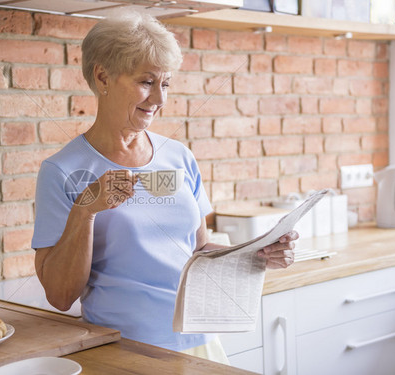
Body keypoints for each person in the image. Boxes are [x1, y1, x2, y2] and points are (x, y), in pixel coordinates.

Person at [31, 11, 297, 363]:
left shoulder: (178, 157)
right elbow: (61, 296)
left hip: (198, 343)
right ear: (102, 76)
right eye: (146, 81)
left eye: (166, 83)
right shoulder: (62, 170)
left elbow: (198, 249)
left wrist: (259, 252)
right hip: (125, 350)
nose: (159, 99)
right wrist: (85, 210)